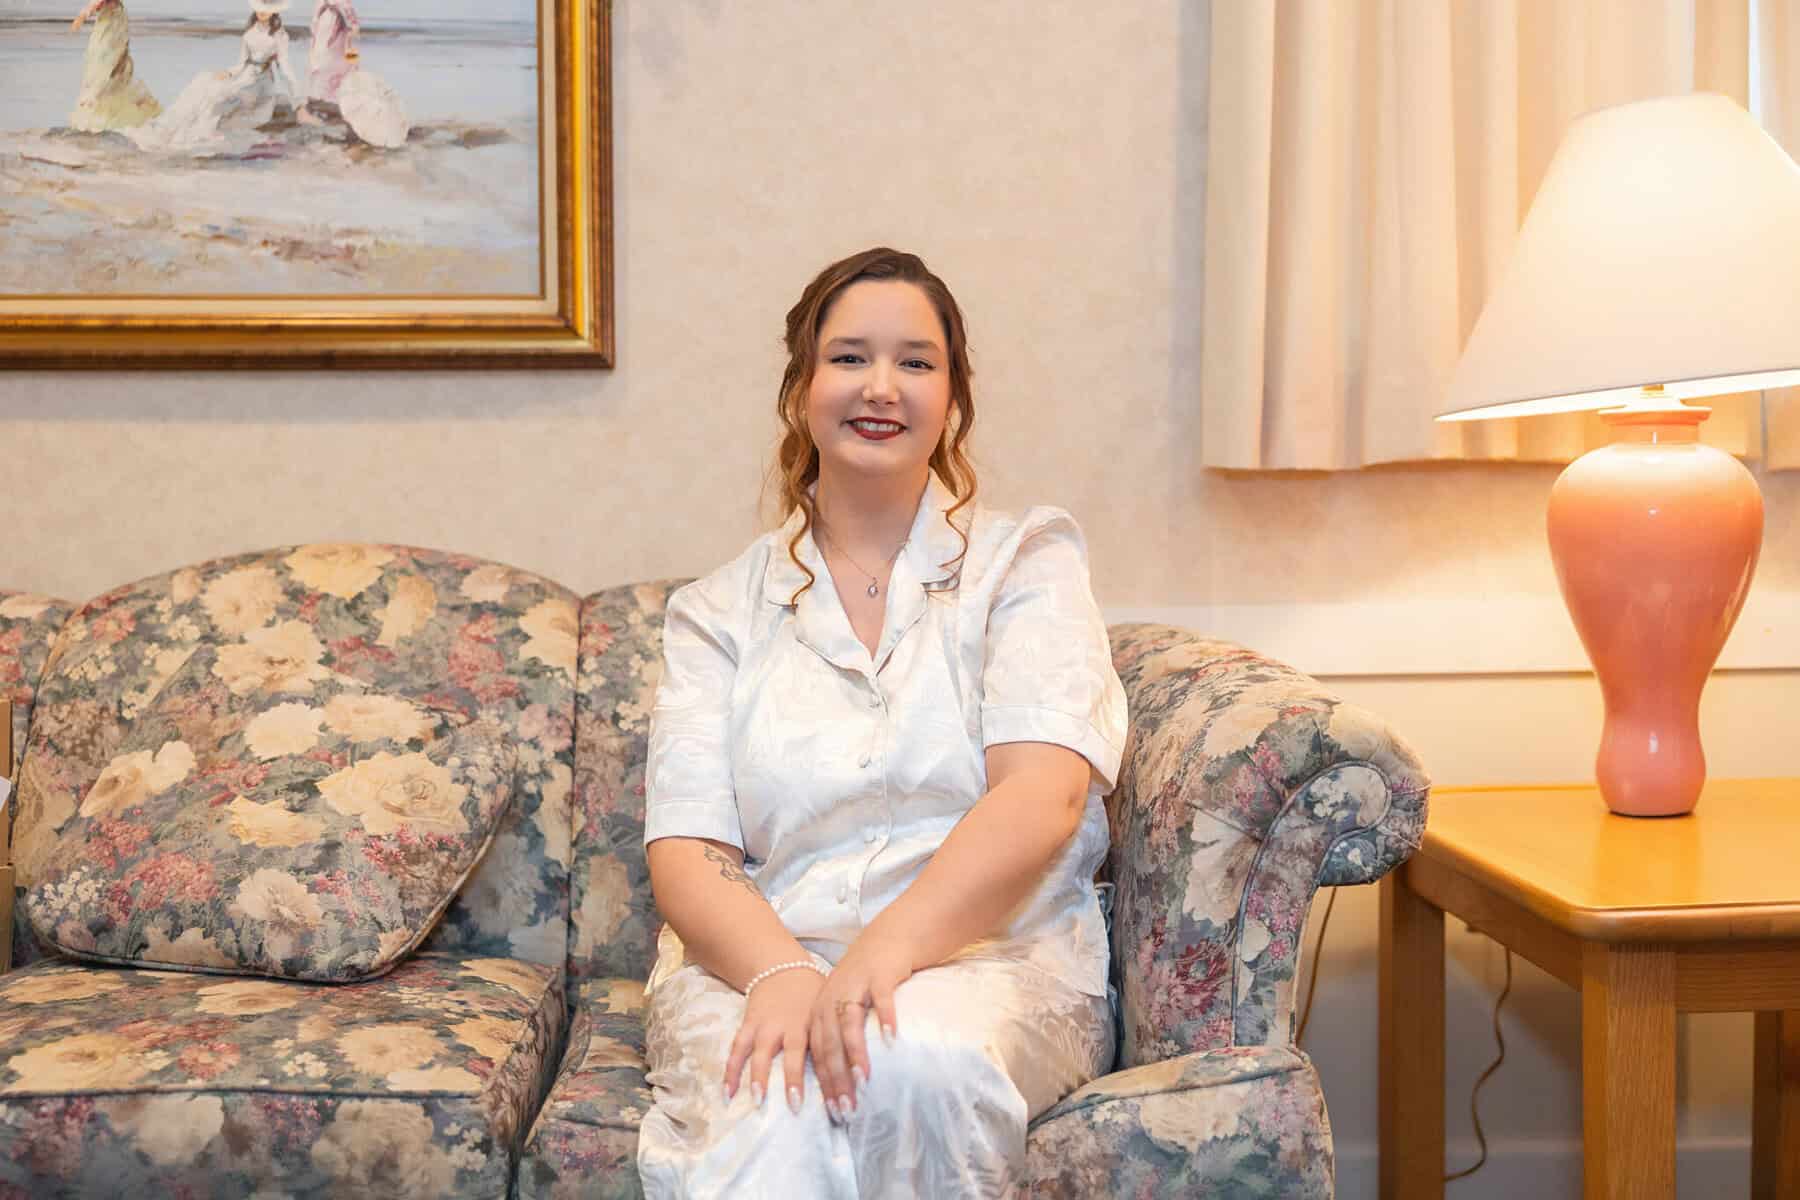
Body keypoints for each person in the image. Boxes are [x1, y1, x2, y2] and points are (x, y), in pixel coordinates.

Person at [637, 247, 1128, 1198]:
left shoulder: (1025, 563)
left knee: (908, 1061)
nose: (881, 386)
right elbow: (688, 848)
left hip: (994, 959)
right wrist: (783, 973)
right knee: (775, 1096)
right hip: (757, 961)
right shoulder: (715, 612)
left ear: (953, 398)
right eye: (850, 357)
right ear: (800, 389)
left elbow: (1045, 794)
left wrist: (885, 952)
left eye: (916, 361)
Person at [130, 0, 301, 153]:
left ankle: (195, 134)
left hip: (260, 86)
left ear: (274, 11)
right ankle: (165, 128)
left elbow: (285, 69)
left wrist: (298, 101)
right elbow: (241, 64)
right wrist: (228, 72)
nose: (262, 11)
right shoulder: (249, 33)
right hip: (244, 77)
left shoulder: (280, 36)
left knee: (218, 95)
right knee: (204, 79)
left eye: (267, 7)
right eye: (260, 6)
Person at [68, 0, 160, 132]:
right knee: (109, 67)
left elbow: (101, 2)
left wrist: (83, 15)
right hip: (112, 21)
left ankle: (98, 114)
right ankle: (101, 111)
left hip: (112, 24)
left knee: (105, 67)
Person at [299, 0, 358, 124]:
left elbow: (352, 33)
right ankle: (311, 112)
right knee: (323, 73)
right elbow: (352, 32)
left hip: (335, 45)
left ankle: (317, 111)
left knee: (335, 74)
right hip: (329, 43)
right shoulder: (327, 6)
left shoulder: (336, 6)